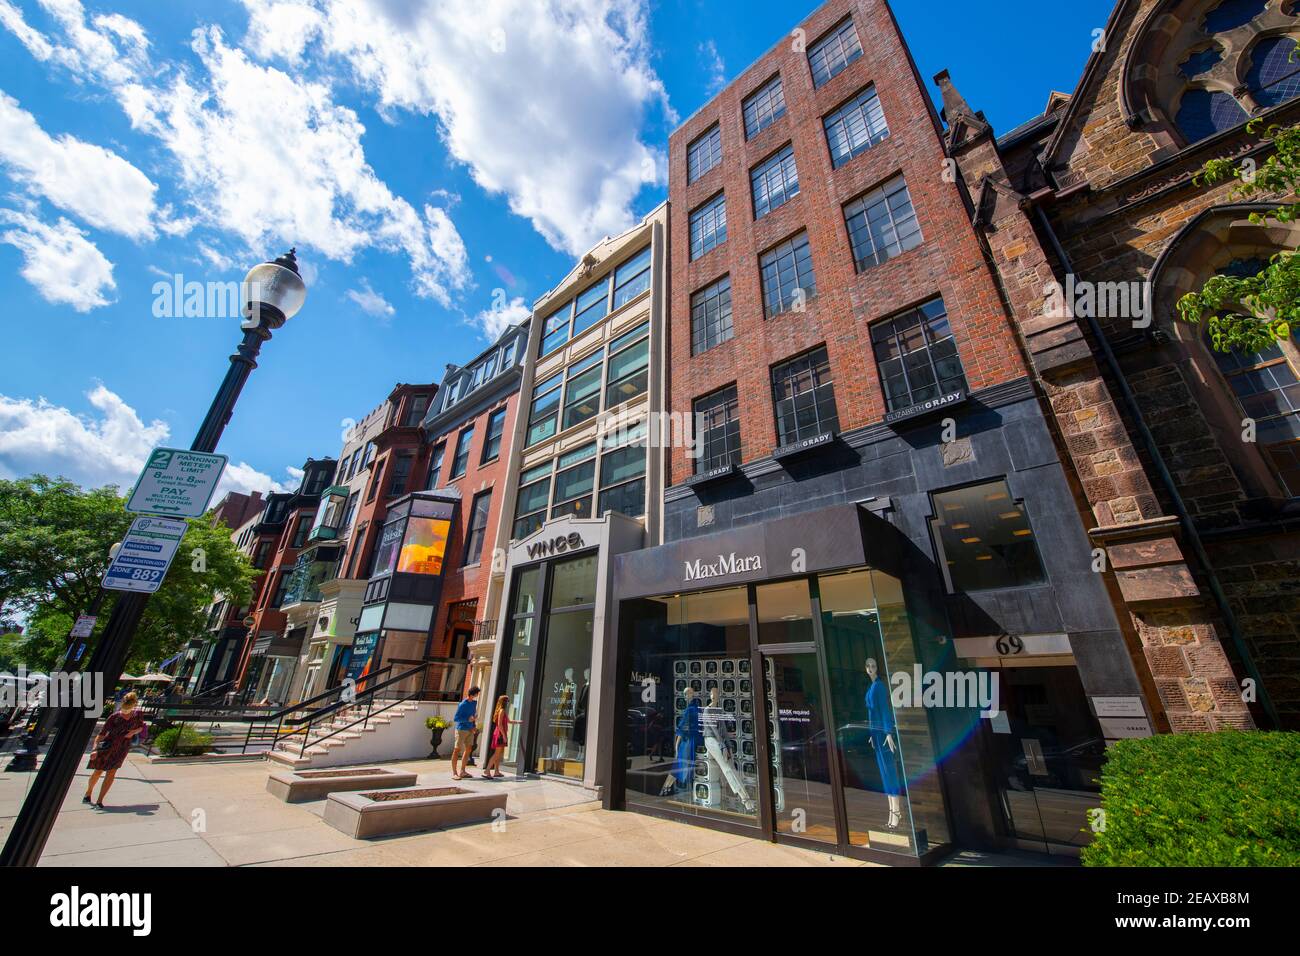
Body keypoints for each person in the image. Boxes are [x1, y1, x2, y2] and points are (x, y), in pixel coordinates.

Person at [84, 692, 147, 809]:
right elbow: (101, 734)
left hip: (122, 747)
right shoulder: (114, 717)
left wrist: (133, 732)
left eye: (129, 708)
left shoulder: (137, 714)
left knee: (112, 772)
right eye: (125, 708)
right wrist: (94, 749)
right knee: (98, 772)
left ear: (133, 705)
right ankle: (88, 793)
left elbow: (141, 727)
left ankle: (100, 800)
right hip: (108, 746)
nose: (126, 711)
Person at [450, 686, 480, 780]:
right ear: (473, 694)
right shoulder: (463, 704)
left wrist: (474, 725)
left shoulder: (474, 703)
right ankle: (454, 773)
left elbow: (472, 716)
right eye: (477, 693)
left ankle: (462, 771)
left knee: (469, 749)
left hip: (470, 729)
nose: (478, 695)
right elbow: (456, 718)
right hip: (461, 729)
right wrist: (468, 719)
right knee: (457, 750)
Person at [483, 695, 514, 779]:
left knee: (499, 754)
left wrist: (518, 722)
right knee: (496, 754)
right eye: (507, 701)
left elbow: (509, 721)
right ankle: (487, 770)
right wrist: (504, 736)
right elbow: (500, 725)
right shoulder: (502, 711)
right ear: (504, 702)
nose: (508, 703)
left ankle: (496, 772)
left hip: (499, 733)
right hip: (500, 733)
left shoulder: (502, 711)